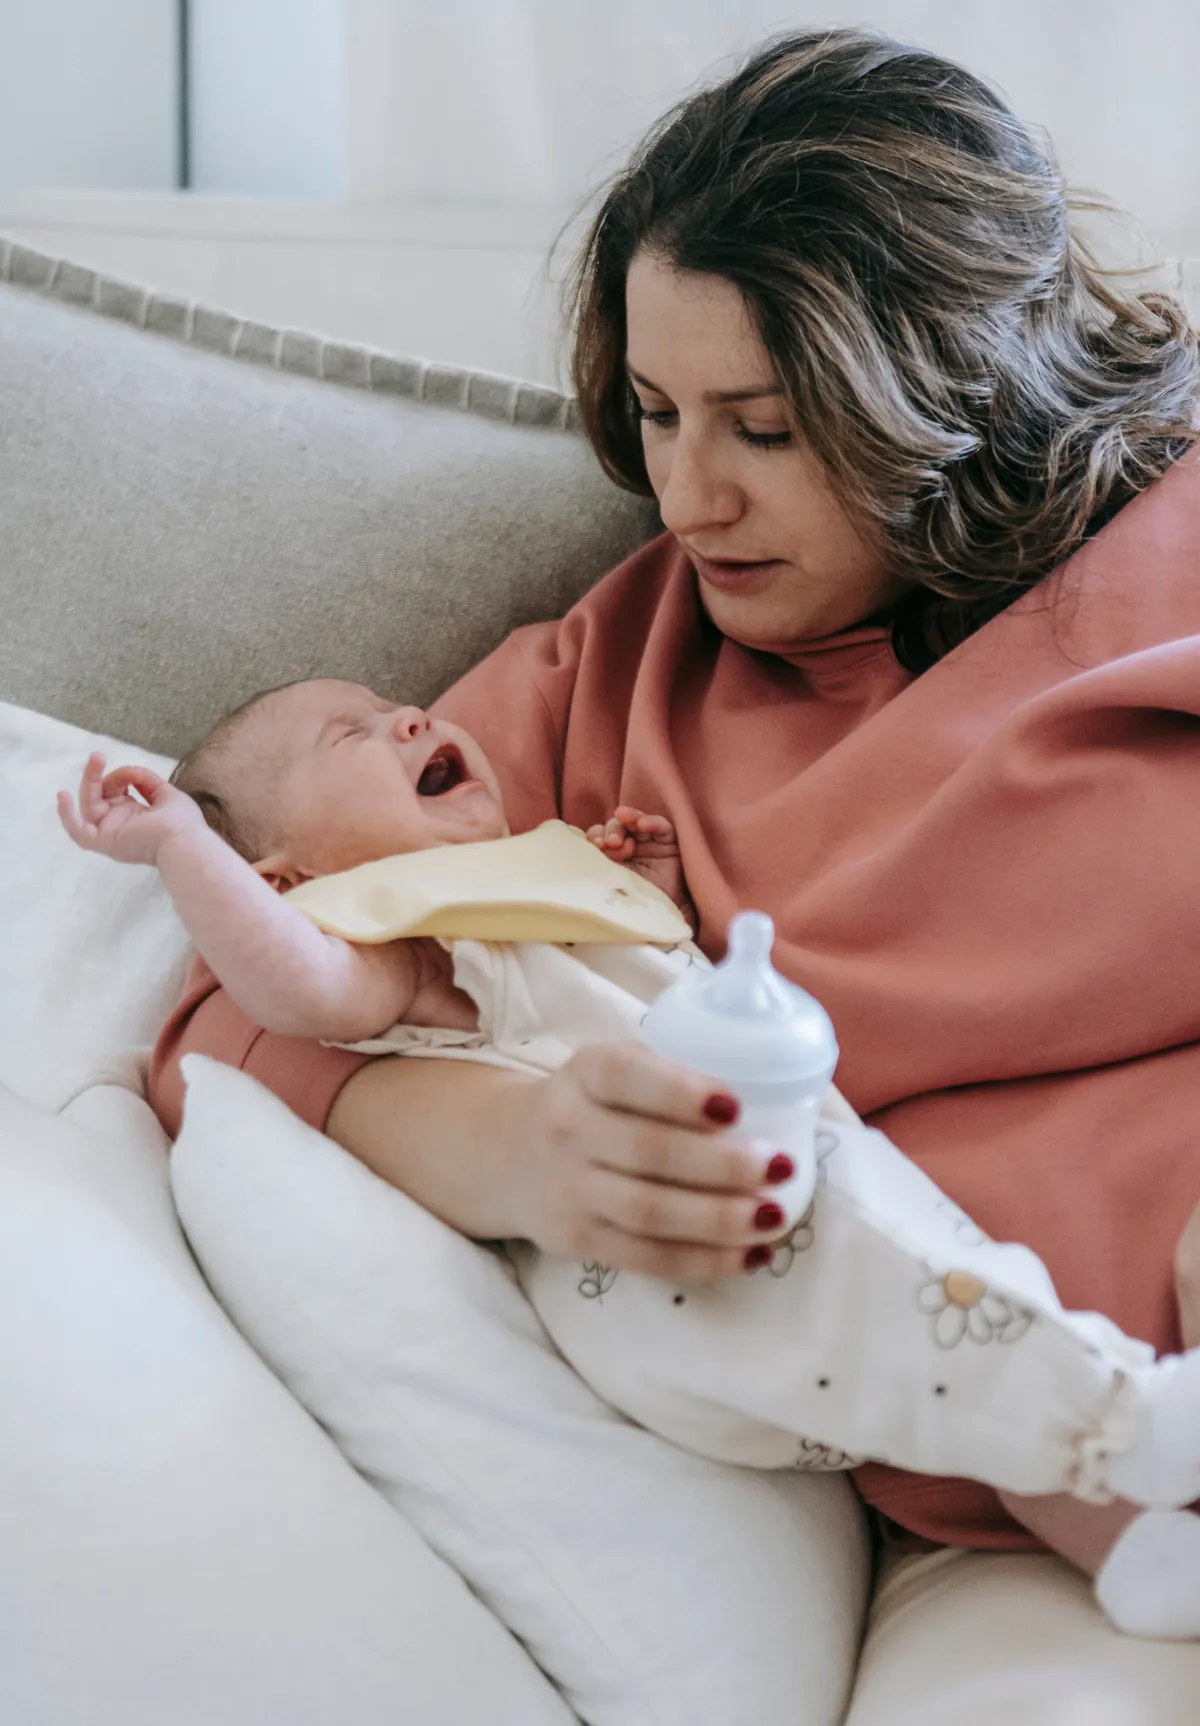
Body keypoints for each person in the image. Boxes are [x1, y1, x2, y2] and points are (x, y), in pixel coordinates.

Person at [148, 24, 1200, 1694]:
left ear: (946, 389)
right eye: (654, 413)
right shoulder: (612, 676)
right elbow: (240, 1005)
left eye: (765, 429)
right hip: (1045, 1459)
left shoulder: (1171, 566)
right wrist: (528, 1152)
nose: (688, 496)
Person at [58, 682, 1200, 1635]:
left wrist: (640, 896)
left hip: (767, 1269)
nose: (407, 716)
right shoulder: (403, 951)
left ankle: (1138, 1552)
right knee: (923, 1294)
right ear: (289, 883)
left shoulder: (527, 900)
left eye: (396, 707)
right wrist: (181, 850)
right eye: (354, 735)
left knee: (957, 1362)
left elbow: (632, 994)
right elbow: (287, 987)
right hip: (673, 1260)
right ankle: (1132, 1410)